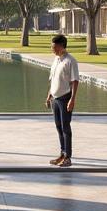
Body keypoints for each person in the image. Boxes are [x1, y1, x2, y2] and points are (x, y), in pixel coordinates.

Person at [45, 34, 78, 167]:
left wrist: (72, 100)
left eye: (53, 47)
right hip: (55, 99)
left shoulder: (70, 61)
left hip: (65, 99)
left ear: (61, 46)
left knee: (66, 128)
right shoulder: (56, 60)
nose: (52, 49)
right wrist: (49, 96)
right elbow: (53, 80)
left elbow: (75, 81)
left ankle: (68, 157)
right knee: (59, 127)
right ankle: (62, 154)